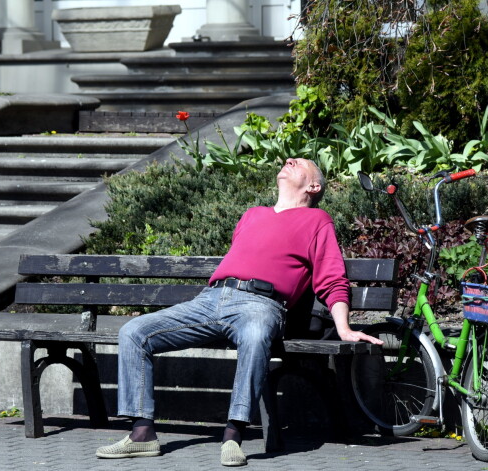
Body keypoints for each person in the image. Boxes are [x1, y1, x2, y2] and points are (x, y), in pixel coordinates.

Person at [95, 158, 384, 466]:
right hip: (211, 298)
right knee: (134, 332)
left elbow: (332, 278)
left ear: (313, 186)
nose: (289, 161)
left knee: (256, 335)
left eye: (299, 163)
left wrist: (344, 327)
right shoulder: (253, 215)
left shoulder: (317, 220)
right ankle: (142, 434)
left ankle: (233, 434)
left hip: (261, 304)